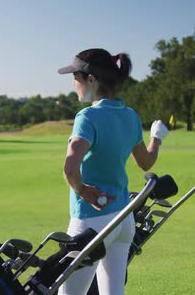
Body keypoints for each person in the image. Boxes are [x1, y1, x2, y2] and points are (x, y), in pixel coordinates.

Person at [56, 48, 168, 295]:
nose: (74, 84)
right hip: (123, 220)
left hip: (91, 221)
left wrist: (83, 190)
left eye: (76, 78)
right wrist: (156, 137)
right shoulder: (130, 116)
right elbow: (146, 162)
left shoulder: (87, 117)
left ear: (91, 79)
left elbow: (70, 168)